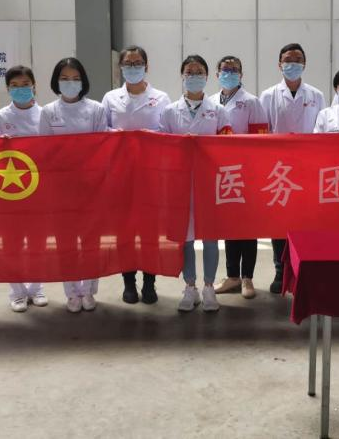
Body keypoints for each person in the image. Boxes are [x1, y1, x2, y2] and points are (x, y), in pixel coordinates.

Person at [159, 54, 232, 313]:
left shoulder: (219, 110)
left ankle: (209, 286)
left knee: (210, 236)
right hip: (180, 183)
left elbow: (228, 146)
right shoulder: (169, 111)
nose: (194, 76)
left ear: (207, 76)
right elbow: (161, 146)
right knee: (186, 237)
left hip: (209, 182)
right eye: (189, 72)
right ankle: (190, 286)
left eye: (199, 72)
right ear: (182, 76)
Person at [102, 45, 171, 305]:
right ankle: (128, 282)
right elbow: (102, 131)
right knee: (125, 230)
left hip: (151, 173)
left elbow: (167, 131)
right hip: (121, 173)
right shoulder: (110, 98)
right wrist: (118, 137)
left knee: (151, 232)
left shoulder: (161, 97)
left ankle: (149, 282)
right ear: (121, 67)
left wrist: (148, 138)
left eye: (138, 63)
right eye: (128, 64)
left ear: (146, 66)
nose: (133, 68)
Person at [39, 57, 108, 313]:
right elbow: (43, 149)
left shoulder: (96, 109)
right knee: (65, 241)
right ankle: (71, 292)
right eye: (65, 78)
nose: (70, 83)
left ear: (83, 81)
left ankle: (88, 290)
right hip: (61, 188)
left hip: (90, 186)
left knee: (91, 240)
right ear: (56, 81)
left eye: (75, 78)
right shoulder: (48, 112)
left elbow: (102, 147)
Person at [259, 43, 326, 293]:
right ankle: (280, 270)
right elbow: (262, 131)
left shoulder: (317, 95)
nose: (293, 64)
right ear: (279, 64)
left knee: (306, 220)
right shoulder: (268, 95)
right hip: (278, 168)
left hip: (309, 165)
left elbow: (322, 129)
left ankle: (304, 270)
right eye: (288, 59)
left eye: (298, 59)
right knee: (279, 222)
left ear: (304, 64)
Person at [0, 65, 47, 313]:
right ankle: (17, 291)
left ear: (34, 86)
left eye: (25, 85)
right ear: (7, 89)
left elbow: (54, 150)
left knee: (38, 241)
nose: (21, 89)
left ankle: (36, 287)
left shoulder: (46, 115)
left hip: (40, 190)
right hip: (10, 192)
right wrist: (0, 147)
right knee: (12, 242)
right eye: (15, 86)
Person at [209, 56, 269, 300]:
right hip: (221, 171)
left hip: (246, 170)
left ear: (241, 75)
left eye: (234, 70)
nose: (229, 73)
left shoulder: (252, 102)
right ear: (217, 74)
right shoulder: (210, 102)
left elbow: (261, 139)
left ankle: (247, 277)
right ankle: (232, 276)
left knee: (248, 225)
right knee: (230, 225)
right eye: (225, 70)